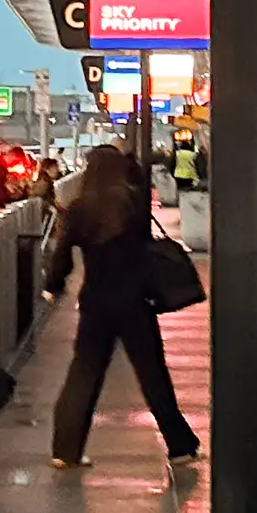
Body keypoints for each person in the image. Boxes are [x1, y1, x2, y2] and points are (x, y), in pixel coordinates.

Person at [42, 141, 201, 479]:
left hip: (96, 302)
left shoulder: (80, 209)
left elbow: (62, 254)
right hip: (134, 302)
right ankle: (180, 446)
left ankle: (65, 451)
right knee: (153, 375)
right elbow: (144, 250)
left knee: (83, 374)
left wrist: (53, 286)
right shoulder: (131, 204)